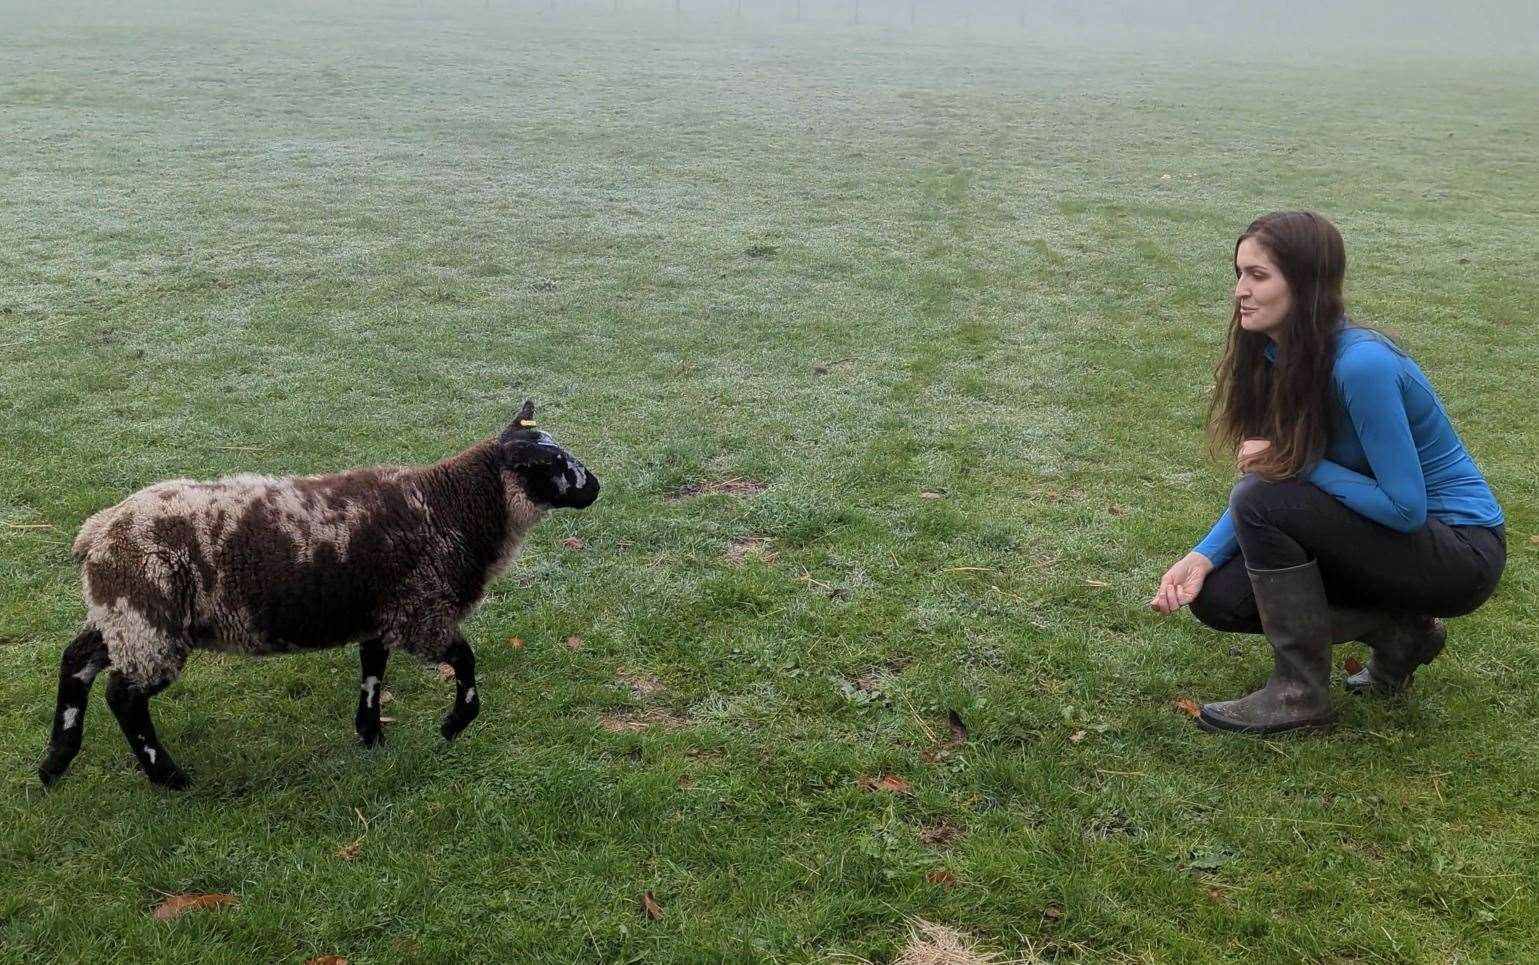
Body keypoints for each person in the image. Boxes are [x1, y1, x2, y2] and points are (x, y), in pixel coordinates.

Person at [1151, 211, 1505, 735]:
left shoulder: (1363, 366)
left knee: (1259, 495)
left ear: (1307, 282)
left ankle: (1299, 695)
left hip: (1459, 551)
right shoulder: (1281, 357)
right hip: (1387, 540)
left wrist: (1301, 465)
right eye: (1238, 274)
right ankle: (1398, 630)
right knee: (1219, 595)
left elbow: (1405, 508)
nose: (1240, 292)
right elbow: (1278, 480)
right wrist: (1204, 555)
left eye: (1258, 276)